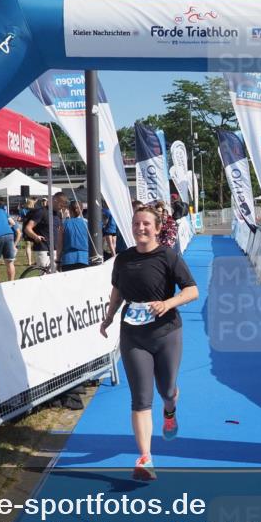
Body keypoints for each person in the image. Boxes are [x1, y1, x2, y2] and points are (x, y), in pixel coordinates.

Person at [99, 205, 199, 481]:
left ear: (156, 229)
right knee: (141, 399)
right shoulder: (123, 259)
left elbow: (192, 290)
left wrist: (168, 303)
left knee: (166, 390)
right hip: (133, 334)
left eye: (146, 224)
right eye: (136, 224)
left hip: (166, 332)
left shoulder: (168, 257)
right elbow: (117, 290)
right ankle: (145, 458)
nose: (140, 228)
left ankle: (170, 411)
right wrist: (108, 317)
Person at [24, 194, 65, 270]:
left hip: (56, 249)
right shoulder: (41, 212)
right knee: (45, 275)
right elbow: (27, 228)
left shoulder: (58, 214)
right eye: (61, 205)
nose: (62, 207)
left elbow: (59, 230)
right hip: (43, 249)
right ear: (55, 201)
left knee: (57, 275)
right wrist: (36, 236)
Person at [60, 201, 90, 271]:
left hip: (68, 260)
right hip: (85, 259)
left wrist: (58, 260)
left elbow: (60, 244)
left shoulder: (64, 224)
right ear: (82, 210)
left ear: (69, 210)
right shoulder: (88, 223)